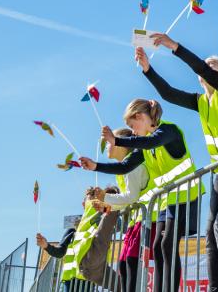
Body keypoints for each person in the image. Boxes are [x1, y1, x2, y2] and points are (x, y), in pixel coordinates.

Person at [137, 34, 218, 292]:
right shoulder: (201, 102)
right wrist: (148, 70)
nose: (207, 69)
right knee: (210, 233)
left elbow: (202, 68)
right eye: (206, 68)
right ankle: (216, 287)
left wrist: (174, 46)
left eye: (213, 67)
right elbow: (169, 94)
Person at [80, 99, 204, 292]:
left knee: (167, 245)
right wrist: (96, 166)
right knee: (159, 247)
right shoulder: (145, 149)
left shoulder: (167, 131)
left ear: (140, 117)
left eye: (132, 126)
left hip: (186, 196)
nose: (133, 132)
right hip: (167, 202)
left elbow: (151, 141)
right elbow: (124, 166)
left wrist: (117, 139)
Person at [93, 127, 150, 292]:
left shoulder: (132, 165)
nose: (107, 147)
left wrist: (106, 198)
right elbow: (126, 200)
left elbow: (131, 197)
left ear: (121, 145)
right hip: (136, 220)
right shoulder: (124, 169)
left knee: (131, 262)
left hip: (145, 218)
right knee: (124, 263)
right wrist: (106, 205)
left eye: (110, 143)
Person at [60, 186, 120, 287]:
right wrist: (120, 204)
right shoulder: (95, 205)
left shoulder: (88, 212)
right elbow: (118, 221)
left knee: (120, 286)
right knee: (113, 210)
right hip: (91, 256)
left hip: (89, 269)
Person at [36, 227, 75, 292]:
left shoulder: (96, 231)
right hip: (70, 281)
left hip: (91, 279)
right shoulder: (72, 231)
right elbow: (60, 252)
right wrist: (47, 246)